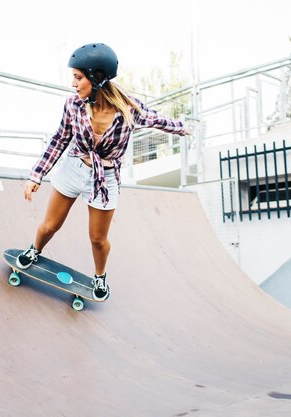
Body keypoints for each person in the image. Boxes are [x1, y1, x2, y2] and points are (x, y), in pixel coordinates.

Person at [17, 42, 188, 301]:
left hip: (105, 178)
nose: (74, 84)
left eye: (78, 77)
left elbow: (159, 120)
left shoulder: (129, 110)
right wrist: (36, 175)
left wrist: (182, 127)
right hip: (74, 168)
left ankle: (99, 277)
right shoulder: (73, 105)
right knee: (50, 225)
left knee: (98, 239)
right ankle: (35, 250)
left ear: (97, 78)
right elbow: (59, 140)